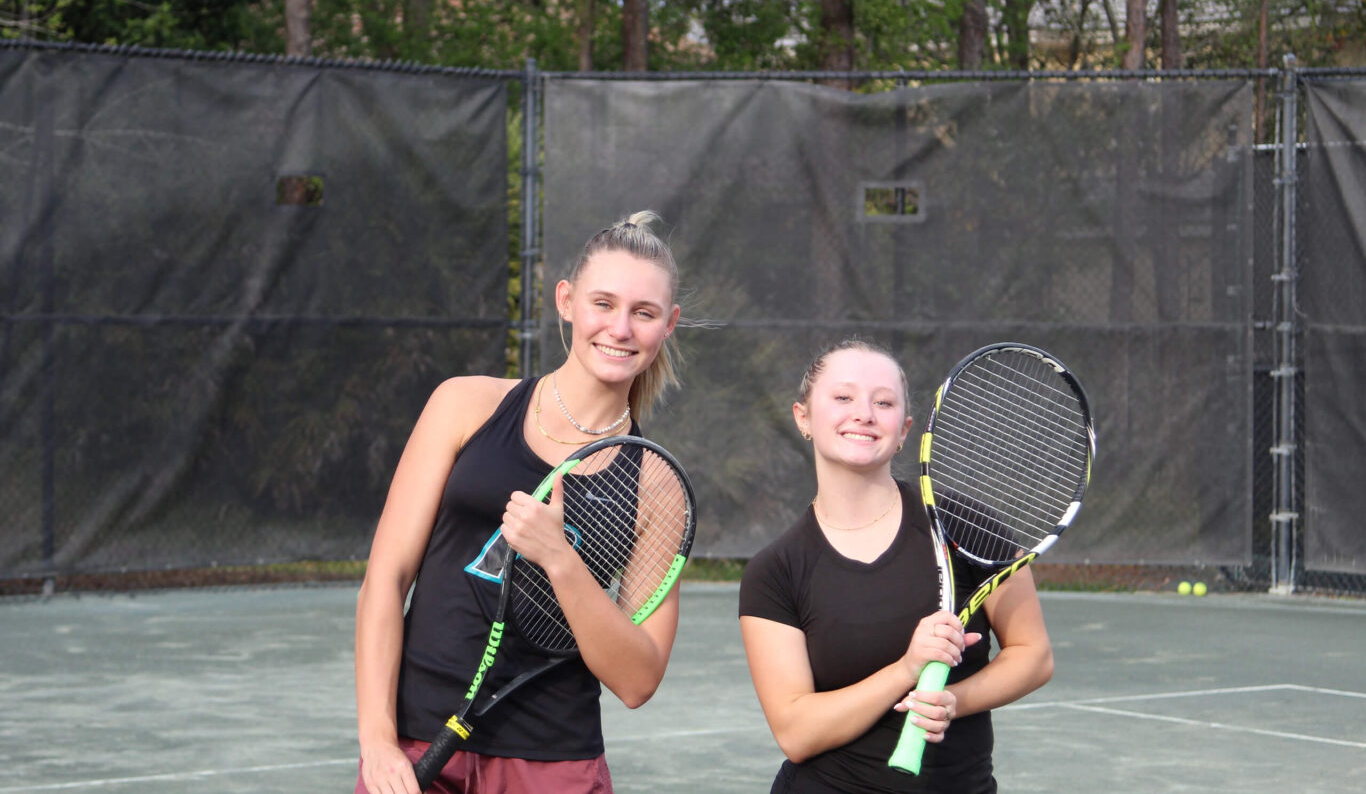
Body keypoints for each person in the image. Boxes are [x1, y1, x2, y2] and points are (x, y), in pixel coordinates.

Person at [355, 211, 684, 794]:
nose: (621, 328)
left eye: (644, 313)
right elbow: (386, 577)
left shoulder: (656, 482)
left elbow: (637, 680)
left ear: (668, 326)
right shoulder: (464, 405)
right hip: (416, 743)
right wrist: (378, 740)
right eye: (602, 303)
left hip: (554, 761)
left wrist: (559, 559)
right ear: (566, 301)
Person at [738, 338, 1054, 794]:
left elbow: (1034, 655)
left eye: (883, 402)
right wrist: (907, 670)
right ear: (802, 417)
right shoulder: (775, 572)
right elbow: (796, 731)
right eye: (843, 397)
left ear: (904, 429)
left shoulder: (965, 525)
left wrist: (950, 702)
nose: (864, 413)